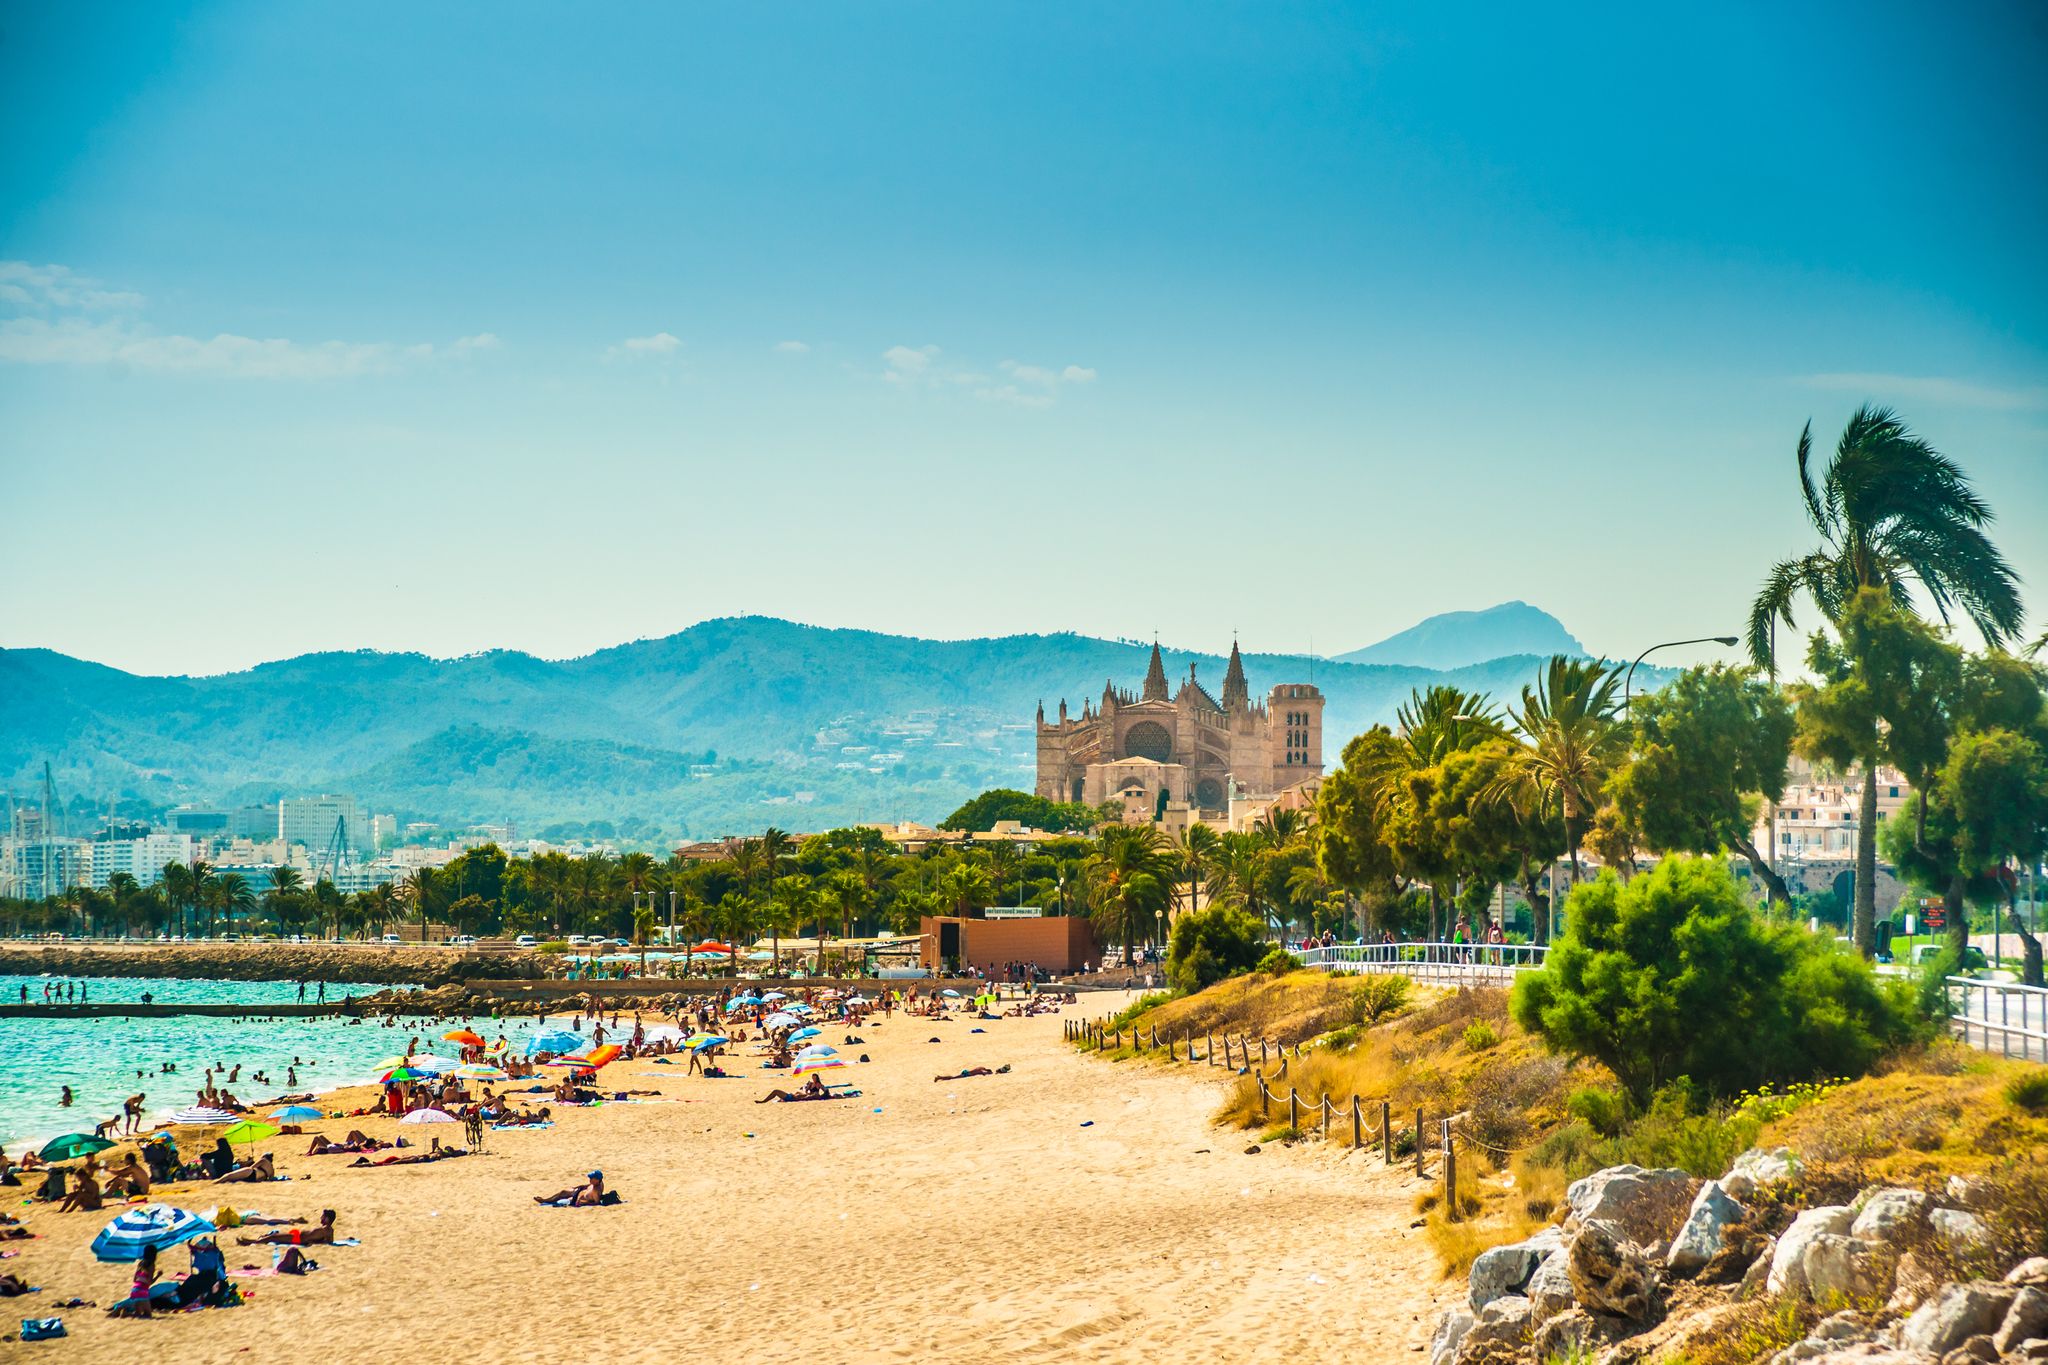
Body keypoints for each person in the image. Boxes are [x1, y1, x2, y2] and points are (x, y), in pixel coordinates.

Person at [108, 1244, 160, 1318]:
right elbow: (149, 1282)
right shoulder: (151, 1265)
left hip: (135, 1289)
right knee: (148, 1315)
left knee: (138, 1314)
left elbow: (135, 1279)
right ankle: (124, 1313)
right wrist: (158, 1276)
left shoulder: (140, 1263)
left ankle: (123, 1312)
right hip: (143, 1291)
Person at [239, 1208, 336, 1247]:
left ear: (327, 1218)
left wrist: (313, 1242)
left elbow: (328, 1242)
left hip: (298, 1238)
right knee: (275, 1235)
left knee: (274, 1237)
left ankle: (250, 1242)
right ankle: (256, 1240)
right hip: (299, 1236)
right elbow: (327, 1241)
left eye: (323, 1216)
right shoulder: (328, 1229)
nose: (321, 1217)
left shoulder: (325, 1229)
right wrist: (315, 1241)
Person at [534, 1170, 606, 1206]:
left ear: (597, 1179)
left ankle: (545, 1201)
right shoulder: (598, 1183)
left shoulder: (596, 1192)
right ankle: (545, 1200)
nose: (589, 1179)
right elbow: (588, 1185)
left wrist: (583, 1203)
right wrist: (578, 1187)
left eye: (591, 1178)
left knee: (562, 1197)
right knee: (563, 1192)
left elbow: (597, 1203)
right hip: (580, 1191)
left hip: (576, 1199)